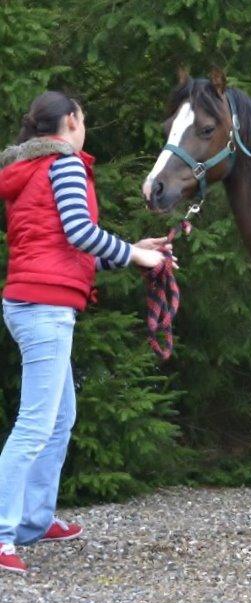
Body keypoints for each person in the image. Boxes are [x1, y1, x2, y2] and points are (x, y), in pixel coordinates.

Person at [0, 91, 174, 574]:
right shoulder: (66, 163)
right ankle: (2, 532)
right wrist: (138, 256)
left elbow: (66, 247)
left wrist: (131, 248)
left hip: (31, 301)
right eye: (85, 119)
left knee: (58, 419)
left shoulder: (30, 170)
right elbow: (80, 231)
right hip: (45, 309)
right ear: (72, 121)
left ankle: (33, 520)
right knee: (36, 424)